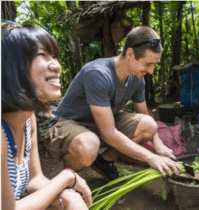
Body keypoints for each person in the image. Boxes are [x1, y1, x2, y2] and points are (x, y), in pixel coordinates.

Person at [45, 26, 182, 182]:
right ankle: (66, 178)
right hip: (67, 123)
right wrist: (150, 157)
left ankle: (104, 161)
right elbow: (108, 133)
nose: (151, 71)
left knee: (149, 125)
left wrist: (157, 143)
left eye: (154, 65)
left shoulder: (138, 79)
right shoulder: (98, 73)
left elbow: (145, 114)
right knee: (88, 146)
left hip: (100, 124)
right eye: (148, 64)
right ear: (130, 54)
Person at [1, 21, 92, 210]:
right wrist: (67, 177)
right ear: (13, 68)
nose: (57, 66)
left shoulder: (27, 120)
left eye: (54, 57)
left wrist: (67, 195)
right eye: (42, 55)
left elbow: (34, 180)